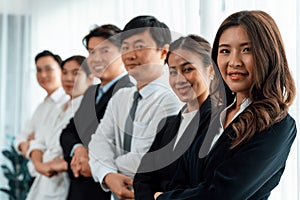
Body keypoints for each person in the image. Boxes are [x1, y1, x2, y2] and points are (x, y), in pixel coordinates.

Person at [154, 10, 297, 200]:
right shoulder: (212, 114)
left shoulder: (277, 126)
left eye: (247, 49)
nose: (234, 62)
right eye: (225, 51)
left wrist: (162, 198)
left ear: (268, 55)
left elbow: (222, 195)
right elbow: (180, 178)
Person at [88, 15, 182, 200]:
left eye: (139, 46)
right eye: (125, 48)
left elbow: (145, 159)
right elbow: (98, 142)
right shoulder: (121, 97)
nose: (130, 55)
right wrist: (108, 176)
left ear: (163, 52)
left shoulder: (173, 98)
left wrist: (104, 167)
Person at [133, 34, 218, 199]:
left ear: (211, 70)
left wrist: (161, 196)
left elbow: (206, 187)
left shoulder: (220, 123)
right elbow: (142, 178)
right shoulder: (167, 125)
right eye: (173, 72)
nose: (179, 79)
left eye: (188, 69)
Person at [60, 24, 134, 200]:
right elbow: (68, 132)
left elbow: (120, 144)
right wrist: (78, 149)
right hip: (78, 188)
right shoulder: (90, 93)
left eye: (104, 51)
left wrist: (88, 154)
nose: (96, 58)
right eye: (92, 52)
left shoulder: (130, 93)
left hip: (103, 190)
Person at [26, 55, 93, 200]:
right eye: (65, 72)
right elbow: (38, 142)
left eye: (75, 73)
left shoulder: (88, 109)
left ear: (90, 78)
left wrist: (56, 164)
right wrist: (40, 165)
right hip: (44, 180)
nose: (68, 78)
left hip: (68, 184)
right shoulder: (58, 108)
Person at [14, 50, 69, 176]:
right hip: (39, 175)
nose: (43, 75)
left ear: (61, 71)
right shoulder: (41, 106)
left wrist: (33, 141)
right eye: (39, 70)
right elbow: (21, 137)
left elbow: (49, 143)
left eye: (48, 69)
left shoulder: (67, 102)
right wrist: (26, 144)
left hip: (58, 177)